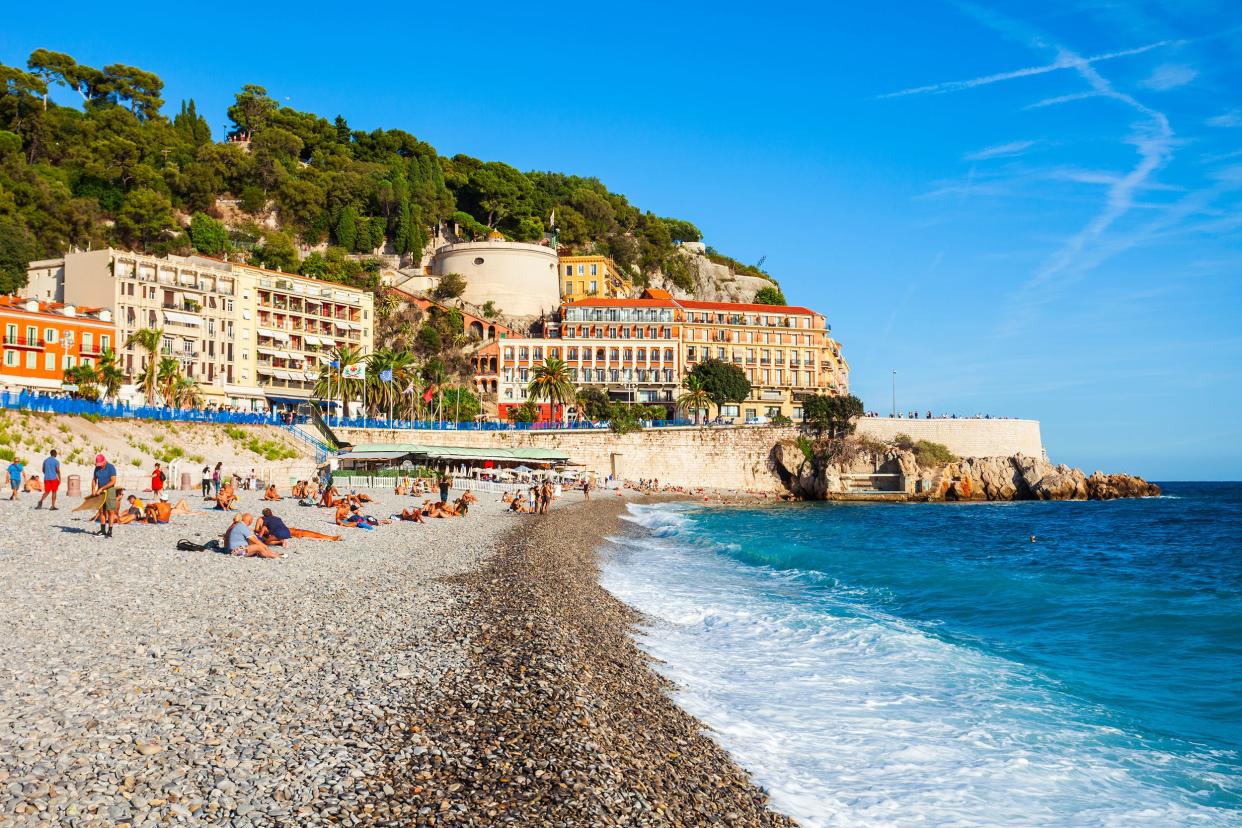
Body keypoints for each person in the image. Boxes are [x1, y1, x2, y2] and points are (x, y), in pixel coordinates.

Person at [92, 453, 118, 538]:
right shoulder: (97, 468)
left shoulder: (111, 467)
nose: (99, 466)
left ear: (104, 461)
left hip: (109, 490)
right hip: (100, 491)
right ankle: (102, 530)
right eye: (98, 465)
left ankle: (109, 530)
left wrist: (102, 488)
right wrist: (93, 490)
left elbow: (113, 481)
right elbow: (94, 480)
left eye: (101, 464)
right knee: (101, 511)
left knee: (110, 511)